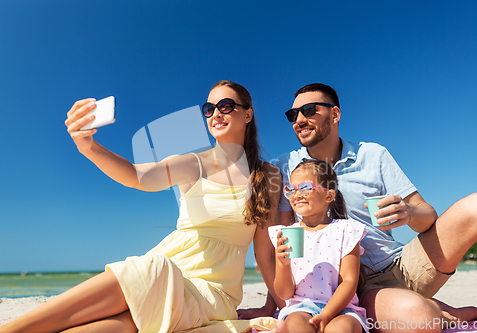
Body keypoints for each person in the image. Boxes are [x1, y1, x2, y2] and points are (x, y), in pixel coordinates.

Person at [0, 80, 282, 333]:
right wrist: (88, 147)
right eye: (209, 108)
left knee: (152, 274)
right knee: (126, 318)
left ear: (248, 114)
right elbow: (136, 176)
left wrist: (275, 306)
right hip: (167, 271)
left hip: (213, 293)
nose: (216, 113)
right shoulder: (193, 164)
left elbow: (266, 251)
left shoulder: (268, 176)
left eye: (226, 105)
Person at [263, 83, 477, 332]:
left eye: (309, 110)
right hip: (355, 289)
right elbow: (286, 238)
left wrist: (409, 214)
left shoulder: (372, 155)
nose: (299, 119)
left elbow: (428, 215)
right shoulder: (286, 167)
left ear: (334, 114)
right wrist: (272, 305)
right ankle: (439, 312)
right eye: (293, 115)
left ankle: (436, 309)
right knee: (422, 320)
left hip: (401, 264)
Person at [269, 159, 368, 333]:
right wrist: (283, 265)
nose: (297, 195)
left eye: (305, 188)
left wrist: (327, 314)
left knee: (342, 329)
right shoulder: (287, 234)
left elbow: (349, 281)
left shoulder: (345, 230)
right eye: (290, 190)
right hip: (300, 308)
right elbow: (284, 294)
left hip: (342, 308)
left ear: (329, 195)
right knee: (295, 327)